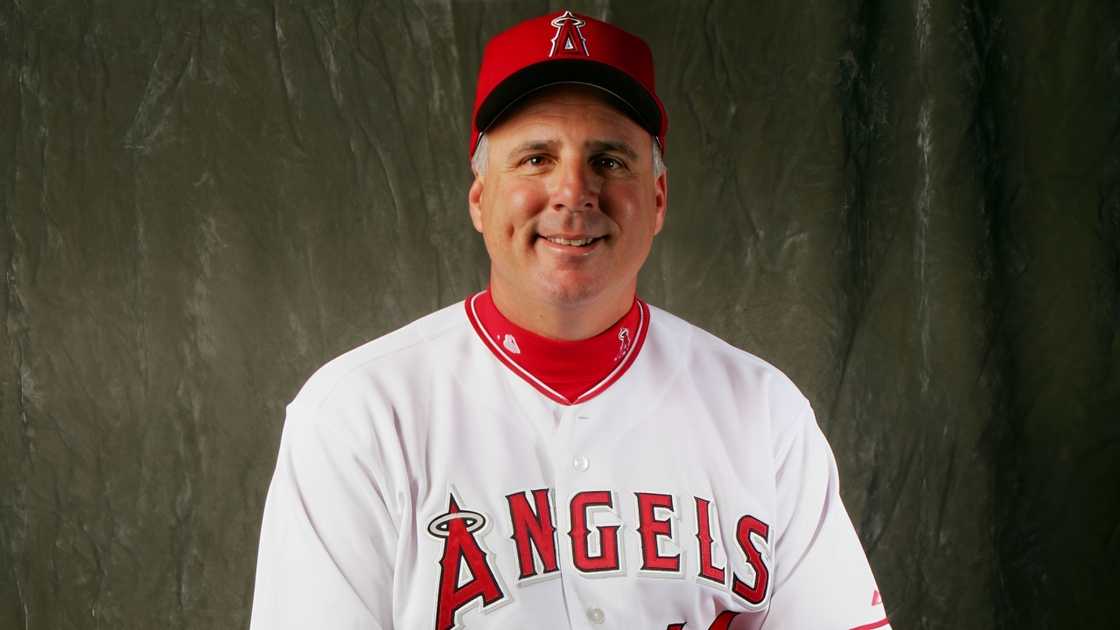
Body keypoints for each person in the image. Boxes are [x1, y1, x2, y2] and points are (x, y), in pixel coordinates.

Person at [250, 10, 889, 630]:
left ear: (658, 199)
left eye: (610, 161)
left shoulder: (763, 411)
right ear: (480, 198)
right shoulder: (357, 414)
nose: (574, 192)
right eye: (535, 158)